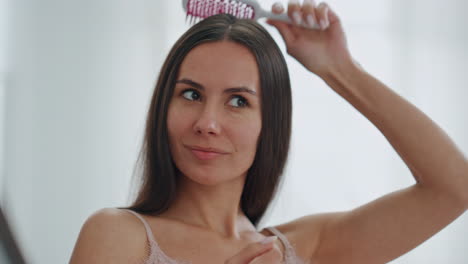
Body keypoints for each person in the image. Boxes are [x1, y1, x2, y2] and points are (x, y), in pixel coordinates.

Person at [69, 1, 468, 263]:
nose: (207, 122)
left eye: (238, 101)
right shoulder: (118, 237)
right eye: (191, 94)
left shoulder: (303, 250)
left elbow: (454, 187)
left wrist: (339, 68)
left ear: (269, 124)